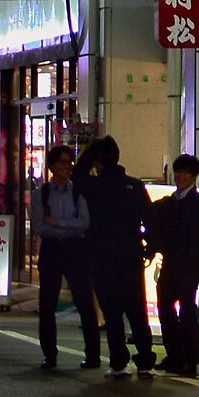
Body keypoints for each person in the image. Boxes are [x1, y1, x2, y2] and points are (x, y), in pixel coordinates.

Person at [79, 136, 157, 377]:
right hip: (131, 256)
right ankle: (145, 361)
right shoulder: (134, 186)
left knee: (112, 312)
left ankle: (119, 362)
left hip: (102, 257)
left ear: (97, 160)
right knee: (137, 311)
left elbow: (77, 175)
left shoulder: (93, 187)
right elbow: (150, 220)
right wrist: (149, 248)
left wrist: (88, 154)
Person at [34, 144, 98, 371]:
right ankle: (49, 354)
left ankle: (93, 355)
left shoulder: (78, 192)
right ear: (51, 166)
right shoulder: (41, 193)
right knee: (47, 303)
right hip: (51, 249)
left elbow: (85, 222)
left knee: (84, 301)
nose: (67, 166)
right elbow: (40, 226)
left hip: (75, 249)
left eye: (69, 162)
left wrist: (58, 223)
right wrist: (69, 227)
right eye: (61, 162)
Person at [149, 154, 199, 376]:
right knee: (165, 308)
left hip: (187, 265)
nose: (180, 176)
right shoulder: (171, 201)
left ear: (194, 176)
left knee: (186, 311)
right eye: (178, 172)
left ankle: (189, 360)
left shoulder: (198, 203)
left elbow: (193, 238)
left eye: (185, 173)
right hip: (171, 262)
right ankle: (174, 355)